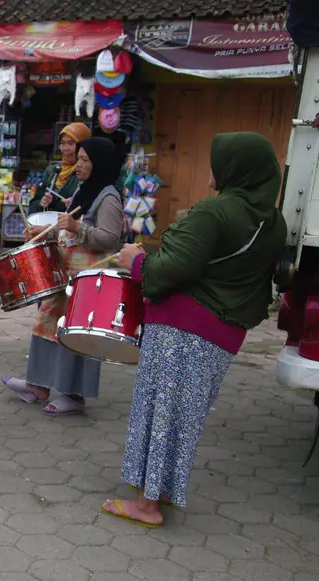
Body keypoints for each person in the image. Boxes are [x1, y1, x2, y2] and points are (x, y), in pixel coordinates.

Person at [104, 132, 286, 527]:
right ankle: (163, 489)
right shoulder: (272, 221)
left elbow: (171, 269)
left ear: (235, 171)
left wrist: (136, 261)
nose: (209, 178)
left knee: (158, 411)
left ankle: (146, 505)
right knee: (185, 418)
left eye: (217, 168)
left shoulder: (216, 212)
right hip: (222, 335)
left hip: (182, 329)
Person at [1, 137, 125, 416]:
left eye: (84, 160)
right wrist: (47, 233)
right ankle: (37, 385)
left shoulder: (108, 198)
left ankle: (73, 395)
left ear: (99, 163)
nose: (78, 164)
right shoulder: (84, 190)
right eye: (78, 158)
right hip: (64, 273)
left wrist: (77, 227)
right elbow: (69, 230)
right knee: (46, 326)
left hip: (87, 279)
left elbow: (110, 239)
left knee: (76, 334)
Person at [28, 123, 92, 216]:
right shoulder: (53, 171)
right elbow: (33, 207)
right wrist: (41, 203)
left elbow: (94, 211)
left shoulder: (87, 173)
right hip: (48, 228)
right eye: (62, 143)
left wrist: (76, 206)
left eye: (71, 143)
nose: (65, 148)